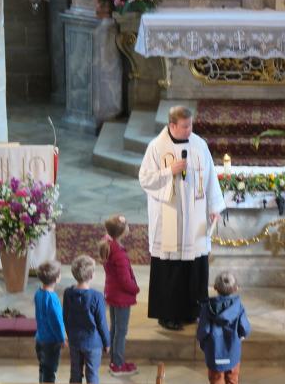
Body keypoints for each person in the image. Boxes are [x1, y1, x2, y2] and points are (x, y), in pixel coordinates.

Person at [139, 106, 226, 331]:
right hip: (170, 216)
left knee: (195, 264)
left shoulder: (199, 145)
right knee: (170, 266)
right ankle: (167, 314)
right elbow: (145, 179)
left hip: (196, 214)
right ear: (172, 125)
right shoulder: (157, 147)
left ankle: (192, 311)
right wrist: (170, 172)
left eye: (191, 125)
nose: (189, 130)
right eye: (185, 126)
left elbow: (210, 177)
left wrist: (214, 206)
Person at [98, 215, 140, 376]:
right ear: (122, 232)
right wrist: (134, 289)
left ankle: (115, 361)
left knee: (115, 329)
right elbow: (124, 280)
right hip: (122, 296)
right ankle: (118, 364)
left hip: (113, 293)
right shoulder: (119, 253)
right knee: (120, 331)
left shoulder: (109, 245)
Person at [197, 272, 251, 384]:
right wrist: (241, 336)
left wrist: (202, 341)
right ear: (236, 288)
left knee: (216, 380)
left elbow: (204, 330)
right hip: (232, 351)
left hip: (214, 351)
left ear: (215, 287)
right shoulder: (239, 307)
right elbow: (245, 328)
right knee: (232, 379)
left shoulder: (207, 308)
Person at [64, 255, 110, 384]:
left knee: (75, 373)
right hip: (93, 344)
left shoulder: (68, 293)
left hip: (74, 341)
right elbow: (102, 323)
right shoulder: (97, 296)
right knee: (92, 374)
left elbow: (65, 318)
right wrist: (107, 343)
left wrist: (69, 335)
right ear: (91, 276)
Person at [34, 260, 66, 384]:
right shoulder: (52, 299)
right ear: (57, 278)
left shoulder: (38, 293)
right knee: (49, 373)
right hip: (51, 342)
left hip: (40, 338)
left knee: (43, 368)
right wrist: (61, 338)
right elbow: (56, 322)